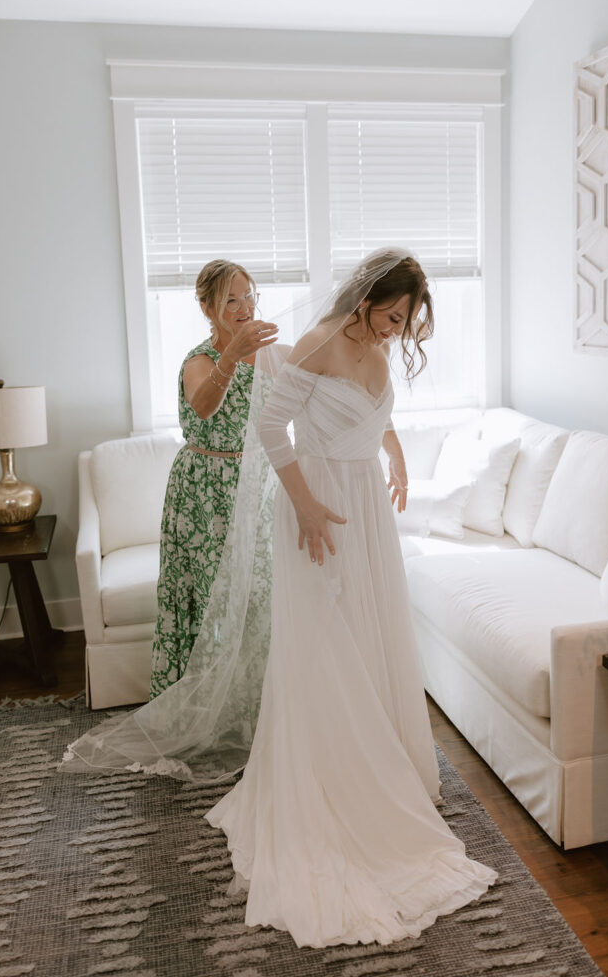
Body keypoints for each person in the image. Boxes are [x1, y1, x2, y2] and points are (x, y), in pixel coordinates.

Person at [204, 248, 499, 947]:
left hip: (364, 497)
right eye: (390, 315)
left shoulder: (378, 346)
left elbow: (370, 409)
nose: (396, 329)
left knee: (370, 633)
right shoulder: (320, 343)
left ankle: (382, 765)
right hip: (321, 501)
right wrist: (305, 507)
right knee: (325, 640)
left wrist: (392, 448)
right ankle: (334, 782)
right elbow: (272, 429)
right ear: (364, 301)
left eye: (406, 320)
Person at [150, 259, 278, 696]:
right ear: (207, 308)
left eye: (249, 297)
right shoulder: (198, 361)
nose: (244, 307)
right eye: (231, 300)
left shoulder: (269, 353)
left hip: (258, 486)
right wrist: (232, 354)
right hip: (205, 491)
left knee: (262, 598)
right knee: (211, 602)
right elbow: (204, 407)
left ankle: (258, 704)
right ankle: (205, 704)